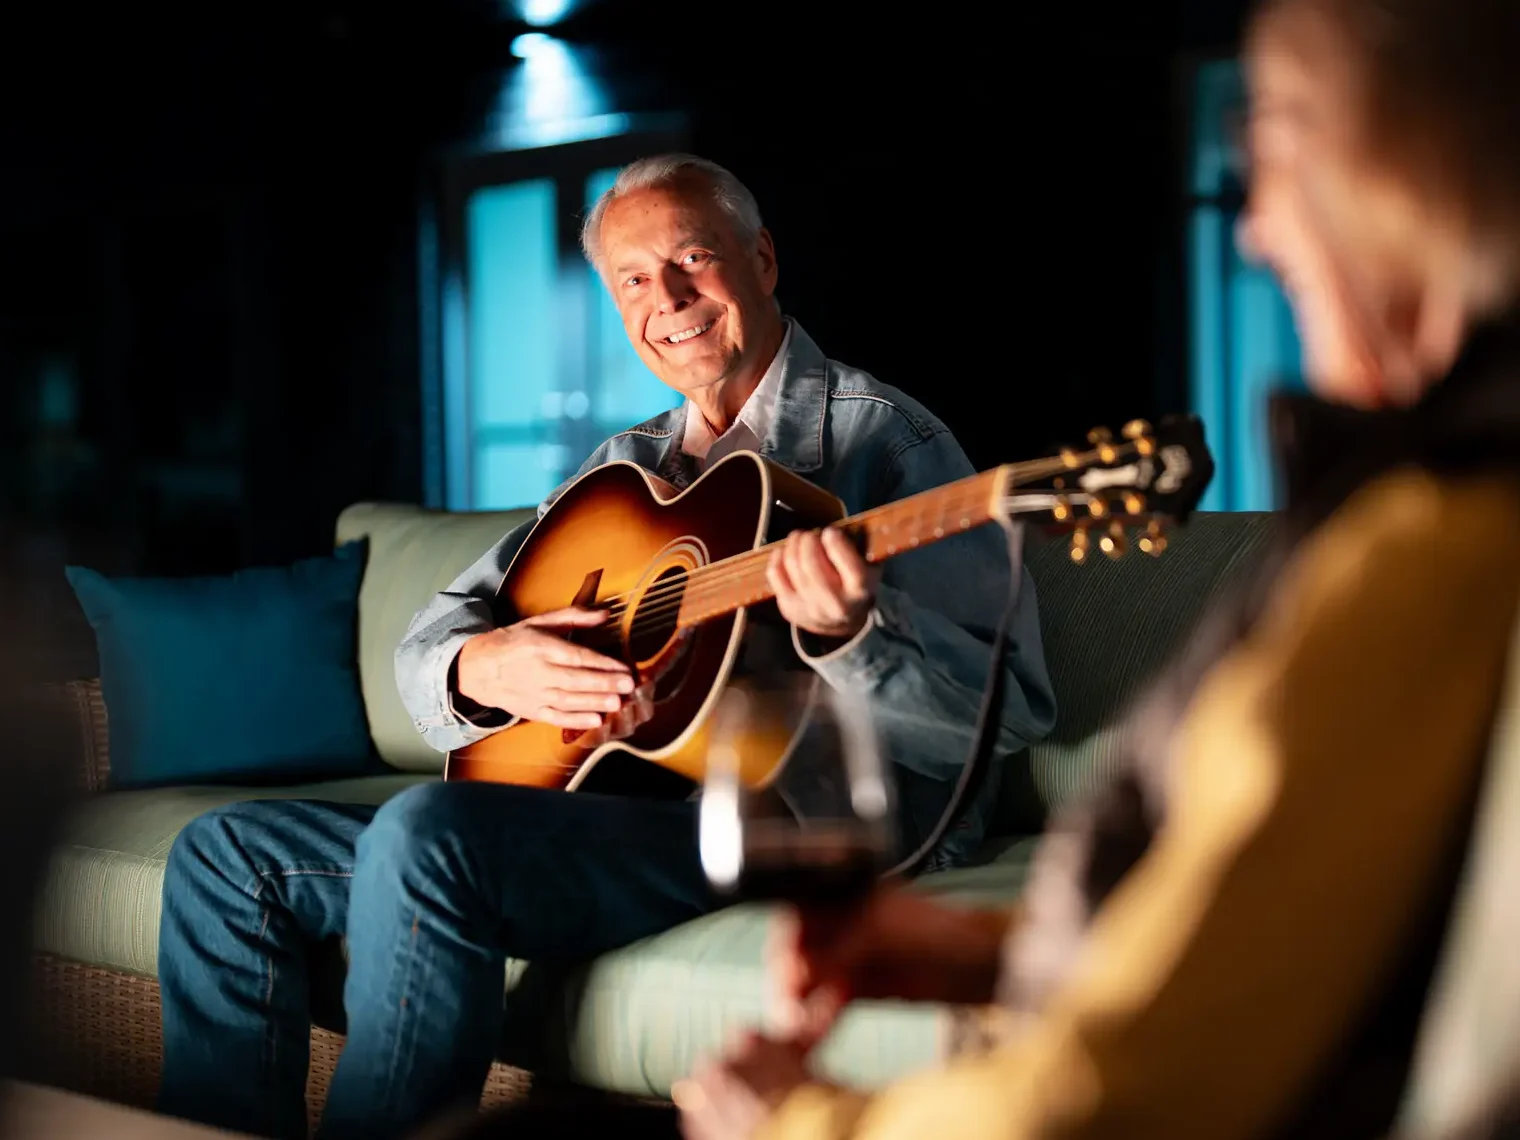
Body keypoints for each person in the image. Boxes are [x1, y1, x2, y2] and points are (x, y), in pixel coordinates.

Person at [675, 1, 1520, 1138]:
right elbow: (1271, 940)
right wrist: (990, 954)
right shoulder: (1424, 530)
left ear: (1406, 175)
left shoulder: (1422, 555)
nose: (1255, 231)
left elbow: (1108, 1098)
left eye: (1272, 152)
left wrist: (798, 1123)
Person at [152, 154, 1056, 1140]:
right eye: (631, 279)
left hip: (788, 828)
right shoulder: (622, 471)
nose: (666, 299)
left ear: (759, 258)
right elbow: (434, 639)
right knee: (225, 852)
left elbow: (1005, 713)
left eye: (692, 258)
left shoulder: (892, 447)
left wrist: (848, 639)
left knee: (428, 835)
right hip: (619, 807)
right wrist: (482, 665)